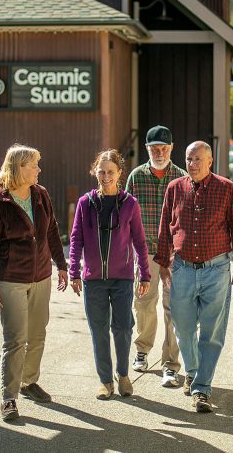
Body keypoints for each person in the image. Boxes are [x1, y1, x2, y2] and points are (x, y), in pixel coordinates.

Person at [154, 141, 233, 414]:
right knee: (182, 329)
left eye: (197, 159)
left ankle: (202, 389)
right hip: (182, 269)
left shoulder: (226, 188)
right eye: (188, 159)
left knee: (212, 332)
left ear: (209, 161)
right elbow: (166, 226)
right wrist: (163, 262)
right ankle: (193, 372)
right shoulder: (175, 188)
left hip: (216, 269)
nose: (192, 164)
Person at [0, 144, 69, 422]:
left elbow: (52, 230)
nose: (38, 169)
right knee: (16, 339)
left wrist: (61, 264)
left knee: (38, 333)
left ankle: (29, 382)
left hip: (41, 275)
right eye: (34, 165)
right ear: (19, 167)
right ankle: (8, 397)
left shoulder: (40, 194)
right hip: (11, 280)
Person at [69, 149, 151, 400]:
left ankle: (123, 375)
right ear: (95, 172)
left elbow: (139, 241)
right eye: (101, 172)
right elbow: (76, 239)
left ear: (119, 173)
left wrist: (145, 274)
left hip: (122, 278)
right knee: (99, 330)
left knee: (123, 328)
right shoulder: (85, 203)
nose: (106, 177)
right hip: (93, 279)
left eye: (111, 172)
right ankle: (105, 380)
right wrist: (74, 271)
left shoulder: (130, 204)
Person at [125, 125, 187, 387]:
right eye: (154, 149)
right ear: (147, 149)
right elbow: (125, 215)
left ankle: (170, 365)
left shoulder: (183, 177)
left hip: (174, 255)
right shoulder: (136, 177)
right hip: (145, 252)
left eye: (164, 148)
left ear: (171, 149)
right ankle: (142, 349)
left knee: (174, 308)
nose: (159, 153)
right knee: (143, 303)